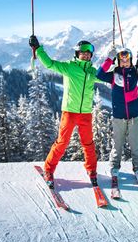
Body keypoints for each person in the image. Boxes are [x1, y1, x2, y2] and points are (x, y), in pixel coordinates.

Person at [29, 36, 101, 187]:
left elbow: (109, 78)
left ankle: (92, 170)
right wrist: (38, 49)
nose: (86, 54)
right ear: (77, 53)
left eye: (89, 52)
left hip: (86, 113)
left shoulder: (92, 72)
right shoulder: (69, 67)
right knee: (62, 142)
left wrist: (117, 65)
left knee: (88, 144)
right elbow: (50, 64)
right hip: (69, 112)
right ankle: (48, 169)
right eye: (83, 52)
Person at [96, 48, 138, 188]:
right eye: (121, 60)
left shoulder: (135, 74)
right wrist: (109, 59)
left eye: (127, 59)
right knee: (117, 145)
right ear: (118, 61)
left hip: (135, 116)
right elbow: (99, 74)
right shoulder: (113, 75)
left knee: (135, 145)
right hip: (118, 116)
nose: (124, 62)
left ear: (130, 60)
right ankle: (114, 168)